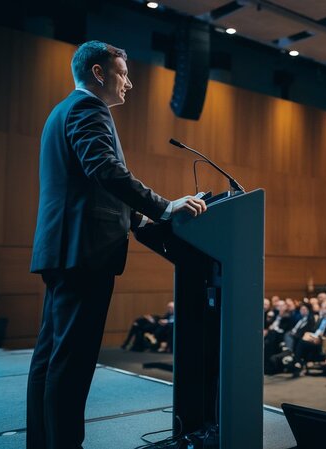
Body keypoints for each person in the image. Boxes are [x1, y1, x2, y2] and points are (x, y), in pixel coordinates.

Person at [26, 41, 207, 449]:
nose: (129, 83)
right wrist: (163, 207)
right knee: (71, 364)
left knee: (50, 358)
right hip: (84, 254)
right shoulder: (89, 109)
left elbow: (89, 186)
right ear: (99, 73)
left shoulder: (62, 112)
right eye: (123, 73)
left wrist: (137, 218)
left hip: (65, 250)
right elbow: (104, 169)